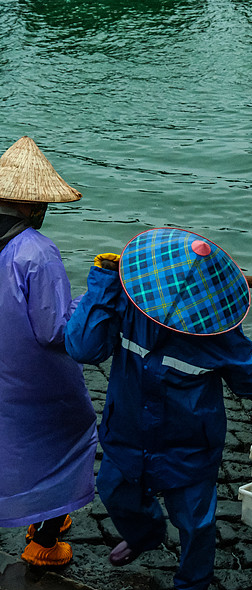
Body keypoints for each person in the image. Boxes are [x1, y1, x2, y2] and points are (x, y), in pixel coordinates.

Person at [65, 227, 252, 590]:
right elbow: (82, 347)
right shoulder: (126, 305)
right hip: (126, 432)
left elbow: (250, 370)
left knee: (196, 522)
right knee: (114, 492)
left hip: (190, 442)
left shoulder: (217, 331)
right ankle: (145, 535)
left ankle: (192, 585)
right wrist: (104, 284)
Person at [0, 136, 97, 567]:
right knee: (68, 435)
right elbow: (55, 331)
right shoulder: (35, 252)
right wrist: (91, 300)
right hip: (34, 377)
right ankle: (44, 539)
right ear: (37, 205)